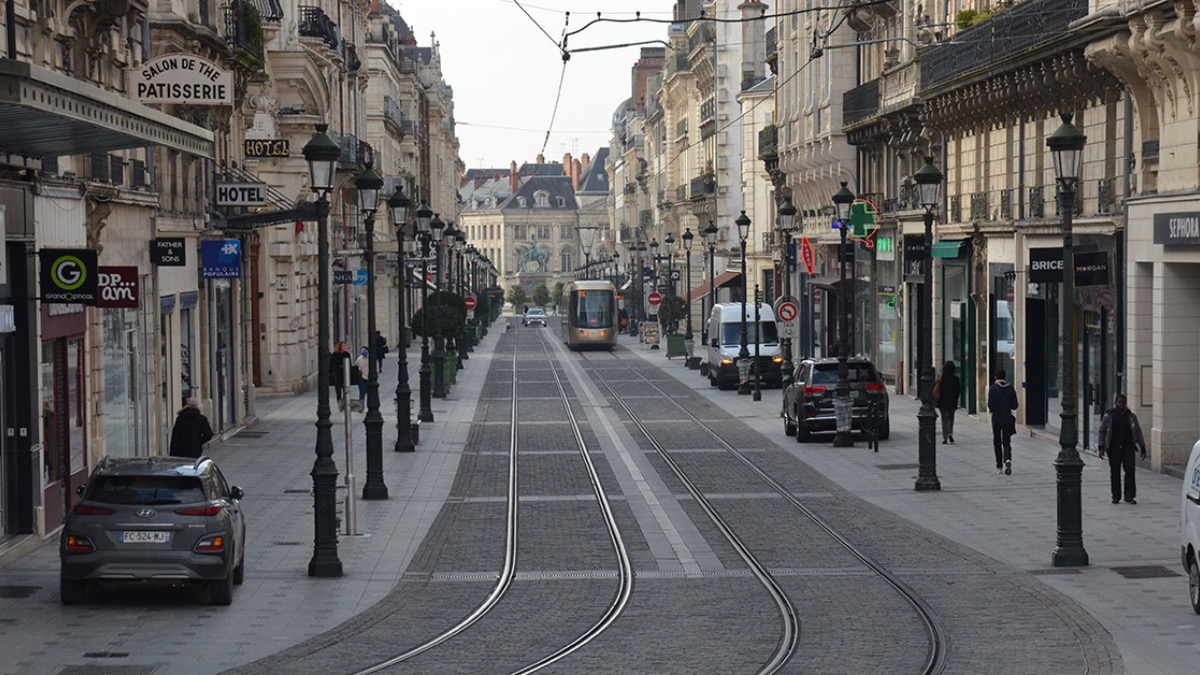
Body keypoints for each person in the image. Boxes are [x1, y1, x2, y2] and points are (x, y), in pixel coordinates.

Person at [1098, 394, 1147, 504]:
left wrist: (1142, 446)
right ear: (1115, 403)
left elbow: (1137, 431)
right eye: (1119, 402)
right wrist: (1101, 446)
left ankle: (1129, 496)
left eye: (1123, 402)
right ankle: (1116, 496)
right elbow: (1102, 431)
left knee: (1130, 471)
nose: (1121, 404)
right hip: (1113, 448)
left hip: (1128, 447)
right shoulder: (1108, 416)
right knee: (1115, 472)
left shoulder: (1131, 416)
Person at [987, 368, 1019, 475]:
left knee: (997, 442)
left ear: (995, 377)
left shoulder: (992, 389)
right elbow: (1015, 405)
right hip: (1007, 418)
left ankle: (999, 466)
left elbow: (990, 405)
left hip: (996, 418)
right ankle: (1007, 458)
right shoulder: (1010, 389)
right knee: (1006, 441)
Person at [934, 360, 961, 444]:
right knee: (951, 418)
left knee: (944, 419)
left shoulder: (941, 379)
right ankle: (950, 432)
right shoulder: (956, 379)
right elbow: (958, 391)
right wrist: (955, 399)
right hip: (952, 402)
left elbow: (937, 388)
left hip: (942, 402)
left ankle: (945, 437)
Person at [329, 341, 352, 409]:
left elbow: (349, 364)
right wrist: (331, 373)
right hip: (337, 374)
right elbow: (331, 364)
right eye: (343, 345)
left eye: (345, 345)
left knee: (345, 390)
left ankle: (344, 403)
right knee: (338, 390)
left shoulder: (347, 354)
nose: (344, 347)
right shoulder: (335, 354)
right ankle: (339, 403)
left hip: (345, 374)